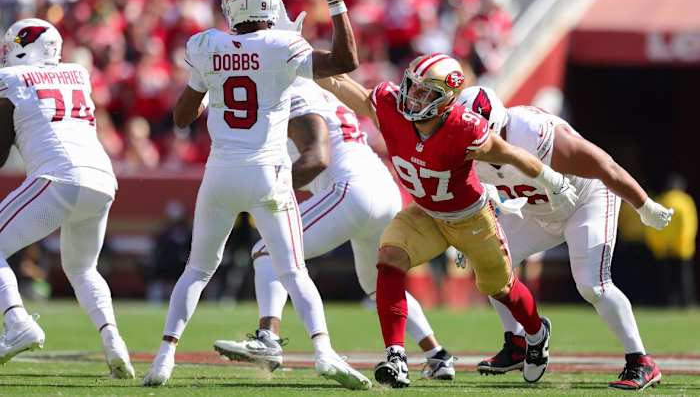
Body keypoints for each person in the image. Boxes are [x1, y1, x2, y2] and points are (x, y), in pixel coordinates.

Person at [142, 0, 371, 390]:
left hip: (220, 174)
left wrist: (213, 81)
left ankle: (163, 359)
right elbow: (345, 62)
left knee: (196, 271)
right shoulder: (283, 45)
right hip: (268, 173)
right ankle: (323, 351)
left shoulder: (206, 45)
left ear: (232, 5)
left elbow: (180, 118)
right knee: (294, 271)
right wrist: (335, 0)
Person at [316, 53, 578, 387]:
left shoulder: (464, 128)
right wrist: (300, 62)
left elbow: (511, 154)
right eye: (412, 87)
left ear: (445, 100)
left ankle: (536, 332)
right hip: (425, 212)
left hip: (470, 218)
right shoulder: (390, 107)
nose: (413, 97)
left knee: (501, 288)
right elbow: (340, 82)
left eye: (426, 93)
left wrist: (553, 181)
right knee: (389, 258)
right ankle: (396, 357)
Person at [213, 78, 456, 380]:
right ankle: (437, 354)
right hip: (383, 188)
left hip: (350, 189)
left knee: (267, 251)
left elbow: (311, 155)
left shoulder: (291, 87)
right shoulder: (321, 91)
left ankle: (268, 338)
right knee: (378, 285)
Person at [458, 86, 674, 391]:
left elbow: (604, 165)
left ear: (494, 127)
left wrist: (644, 206)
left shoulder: (534, 133)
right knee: (489, 262)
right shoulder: (464, 143)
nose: (469, 143)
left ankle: (641, 361)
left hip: (585, 200)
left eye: (475, 135)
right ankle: (518, 342)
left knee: (592, 285)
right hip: (535, 210)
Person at [0, 18, 134, 378]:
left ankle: (16, 322)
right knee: (82, 269)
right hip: (102, 179)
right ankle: (114, 343)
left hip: (58, 177)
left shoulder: (12, 79)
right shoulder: (77, 73)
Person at [645, 173, 696, 307]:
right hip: (681, 248)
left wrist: (658, 245)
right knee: (683, 278)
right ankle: (686, 303)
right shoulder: (686, 202)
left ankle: (667, 303)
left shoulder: (661, 201)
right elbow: (689, 226)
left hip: (663, 249)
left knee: (665, 279)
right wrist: (681, 243)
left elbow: (652, 226)